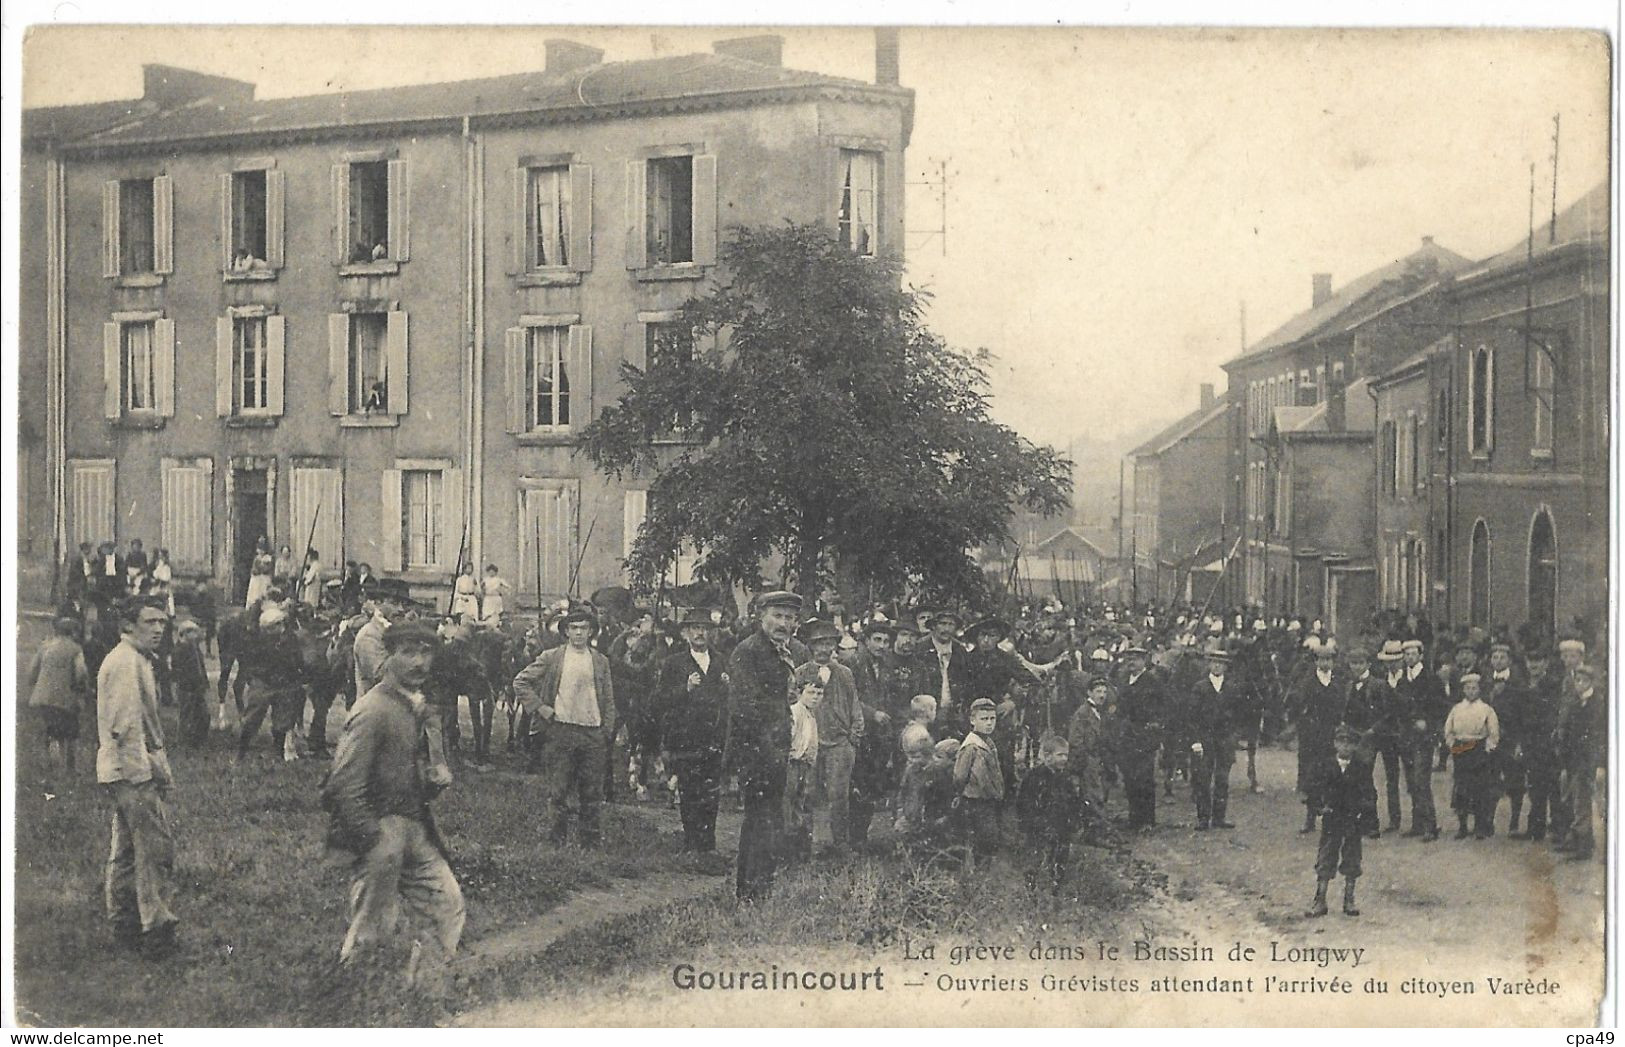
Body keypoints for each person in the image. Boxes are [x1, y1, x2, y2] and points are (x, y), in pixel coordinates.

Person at [321, 620, 464, 978]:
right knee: (373, 922)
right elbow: (342, 785)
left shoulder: (412, 706)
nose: (419, 662)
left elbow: (403, 772)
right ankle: (351, 990)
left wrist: (432, 781)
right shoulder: (373, 710)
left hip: (415, 828)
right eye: (409, 652)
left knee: (447, 902)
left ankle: (428, 984)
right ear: (388, 657)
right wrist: (371, 838)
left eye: (426, 652)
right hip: (381, 829)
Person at [96, 597, 179, 955]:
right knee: (153, 848)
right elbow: (126, 726)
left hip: (125, 769)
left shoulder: (133, 660)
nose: (159, 629)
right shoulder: (125, 662)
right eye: (150, 622)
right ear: (127, 625)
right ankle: (154, 928)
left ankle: (125, 923)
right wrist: (142, 776)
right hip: (131, 771)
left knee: (128, 849)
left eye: (162, 622)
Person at [725, 590, 809, 901]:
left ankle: (761, 888)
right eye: (777, 616)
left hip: (782, 747)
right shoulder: (748, 652)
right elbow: (745, 706)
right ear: (762, 617)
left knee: (772, 818)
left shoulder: (792, 652)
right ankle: (750, 890)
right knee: (760, 819)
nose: (782, 623)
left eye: (789, 618)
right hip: (757, 749)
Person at [513, 607, 617, 846]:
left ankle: (589, 844)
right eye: (574, 628)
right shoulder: (553, 657)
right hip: (561, 731)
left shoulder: (600, 661)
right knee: (558, 791)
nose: (579, 633)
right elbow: (520, 682)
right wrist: (540, 707)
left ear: (591, 631)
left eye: (583, 628)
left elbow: (609, 700)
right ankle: (556, 842)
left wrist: (606, 731)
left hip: (592, 733)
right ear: (566, 631)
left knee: (591, 793)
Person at [655, 608, 731, 853]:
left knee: (711, 792)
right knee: (689, 791)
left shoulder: (721, 662)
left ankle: (707, 844)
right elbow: (658, 700)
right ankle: (691, 843)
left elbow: (732, 701)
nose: (700, 633)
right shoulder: (674, 663)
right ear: (685, 633)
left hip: (714, 738)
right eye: (695, 628)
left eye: (705, 628)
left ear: (712, 633)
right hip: (686, 740)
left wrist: (730, 687)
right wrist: (684, 689)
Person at [793, 618, 865, 856]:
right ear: (811, 646)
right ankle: (808, 843)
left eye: (829, 643)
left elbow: (854, 704)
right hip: (811, 741)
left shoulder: (844, 673)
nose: (824, 649)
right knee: (808, 793)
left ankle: (841, 843)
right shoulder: (800, 673)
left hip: (839, 743)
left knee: (839, 795)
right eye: (819, 643)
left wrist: (854, 735)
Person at [1307, 724, 1377, 918]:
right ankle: (1320, 899)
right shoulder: (1325, 765)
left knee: (1352, 858)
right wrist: (1319, 808)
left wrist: (1365, 812)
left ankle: (1349, 899)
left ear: (1355, 746)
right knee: (1326, 857)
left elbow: (1369, 793)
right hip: (1332, 819)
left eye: (1350, 743)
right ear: (1335, 744)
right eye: (1341, 742)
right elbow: (1314, 789)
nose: (1345, 747)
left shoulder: (1361, 767)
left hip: (1352, 819)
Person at [235, 604, 310, 763]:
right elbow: (249, 664)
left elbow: (297, 660)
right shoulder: (256, 642)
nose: (282, 628)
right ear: (267, 629)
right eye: (277, 625)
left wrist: (299, 676)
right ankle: (241, 751)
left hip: (284, 683)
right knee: (252, 717)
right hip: (263, 683)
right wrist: (256, 678)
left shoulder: (290, 639)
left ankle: (278, 750)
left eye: (282, 624)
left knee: (283, 718)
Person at [1181, 644, 1243, 831]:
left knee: (1222, 779)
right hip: (1205, 739)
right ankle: (1203, 817)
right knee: (1203, 778)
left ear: (1225, 667)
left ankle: (1219, 817)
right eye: (1214, 663)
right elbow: (1192, 716)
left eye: (1221, 663)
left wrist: (1233, 736)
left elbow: (1237, 715)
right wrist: (1196, 741)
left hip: (1224, 739)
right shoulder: (1199, 688)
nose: (1217, 666)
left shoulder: (1231, 688)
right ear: (1208, 665)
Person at [1294, 638, 1348, 834]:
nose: (1325, 663)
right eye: (1321, 660)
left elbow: (1342, 705)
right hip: (1312, 734)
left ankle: (1333, 817)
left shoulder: (1338, 682)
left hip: (1332, 732)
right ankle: (1310, 818)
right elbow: (1300, 706)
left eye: (1329, 660)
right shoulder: (1308, 682)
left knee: (1332, 773)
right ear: (1315, 661)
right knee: (1312, 773)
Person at [26, 615, 90, 775]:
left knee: (52, 729)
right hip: (65, 697)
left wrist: (36, 683)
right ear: (73, 632)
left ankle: (51, 764)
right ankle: (68, 767)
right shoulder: (75, 649)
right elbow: (80, 674)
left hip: (43, 696)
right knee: (71, 732)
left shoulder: (45, 646)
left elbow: (32, 671)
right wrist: (82, 690)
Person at [1016, 734, 1081, 893]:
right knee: (1036, 860)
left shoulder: (1065, 778)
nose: (1064, 759)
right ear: (1047, 756)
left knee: (1060, 859)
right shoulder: (1034, 777)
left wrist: (1074, 821)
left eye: (1066, 755)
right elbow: (1024, 804)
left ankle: (1055, 888)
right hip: (1039, 829)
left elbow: (1074, 801)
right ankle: (1032, 890)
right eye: (1060, 755)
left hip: (1061, 828)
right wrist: (1034, 824)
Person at [1553, 661, 1604, 861]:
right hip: (1574, 759)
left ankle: (1585, 845)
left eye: (1583, 680)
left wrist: (1596, 763)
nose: (1579, 684)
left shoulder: (1597, 704)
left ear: (1591, 682)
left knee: (1585, 800)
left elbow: (1597, 736)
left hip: (1588, 761)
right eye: (1577, 680)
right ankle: (1578, 840)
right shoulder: (1575, 703)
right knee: (1575, 799)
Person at [1511, 648, 1561, 842]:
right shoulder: (1523, 686)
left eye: (1538, 660)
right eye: (1531, 660)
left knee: (1553, 786)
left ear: (1546, 663)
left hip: (1547, 742)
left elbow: (1553, 714)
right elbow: (1518, 718)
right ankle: (1536, 828)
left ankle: (1558, 828)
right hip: (1530, 743)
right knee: (1535, 786)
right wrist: (1519, 743)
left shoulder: (1552, 685)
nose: (1534, 665)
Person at [1443, 672, 1500, 839]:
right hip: (1461, 749)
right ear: (1463, 690)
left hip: (1478, 750)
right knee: (1461, 787)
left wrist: (1488, 748)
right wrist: (1452, 744)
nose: (1471, 691)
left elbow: (1493, 732)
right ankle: (1462, 826)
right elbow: (1448, 729)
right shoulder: (1457, 709)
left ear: (1479, 690)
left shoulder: (1486, 709)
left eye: (1474, 688)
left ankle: (1480, 827)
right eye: (1468, 688)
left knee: (1479, 789)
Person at [1115, 645, 1164, 830]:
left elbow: (1162, 709)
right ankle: (1134, 818)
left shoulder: (1152, 682)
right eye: (1129, 658)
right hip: (1127, 736)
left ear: (1144, 660)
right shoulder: (1123, 680)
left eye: (1135, 658)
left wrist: (1155, 730)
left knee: (1144, 779)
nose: (1131, 662)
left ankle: (1147, 820)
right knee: (1129, 777)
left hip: (1145, 736)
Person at [953, 697, 1005, 860]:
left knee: (990, 837)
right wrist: (960, 792)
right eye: (984, 719)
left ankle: (985, 870)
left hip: (988, 797)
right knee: (981, 839)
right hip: (975, 799)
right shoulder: (971, 746)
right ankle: (977, 872)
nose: (989, 723)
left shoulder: (988, 742)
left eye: (992, 719)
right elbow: (960, 775)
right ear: (972, 720)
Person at [783, 668, 822, 864]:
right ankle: (787, 853)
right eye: (811, 692)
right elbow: (789, 739)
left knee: (802, 805)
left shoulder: (811, 716)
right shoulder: (795, 713)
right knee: (789, 806)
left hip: (805, 766)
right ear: (799, 693)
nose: (815, 697)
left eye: (819, 693)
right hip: (793, 765)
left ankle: (800, 853)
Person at [171, 619, 211, 748]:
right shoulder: (179, 650)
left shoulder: (194, 647)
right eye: (193, 632)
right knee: (186, 715)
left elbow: (201, 666)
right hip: (187, 688)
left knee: (203, 715)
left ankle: (198, 741)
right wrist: (188, 685)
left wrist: (204, 682)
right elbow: (178, 672)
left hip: (198, 687)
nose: (197, 635)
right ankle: (183, 743)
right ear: (185, 633)